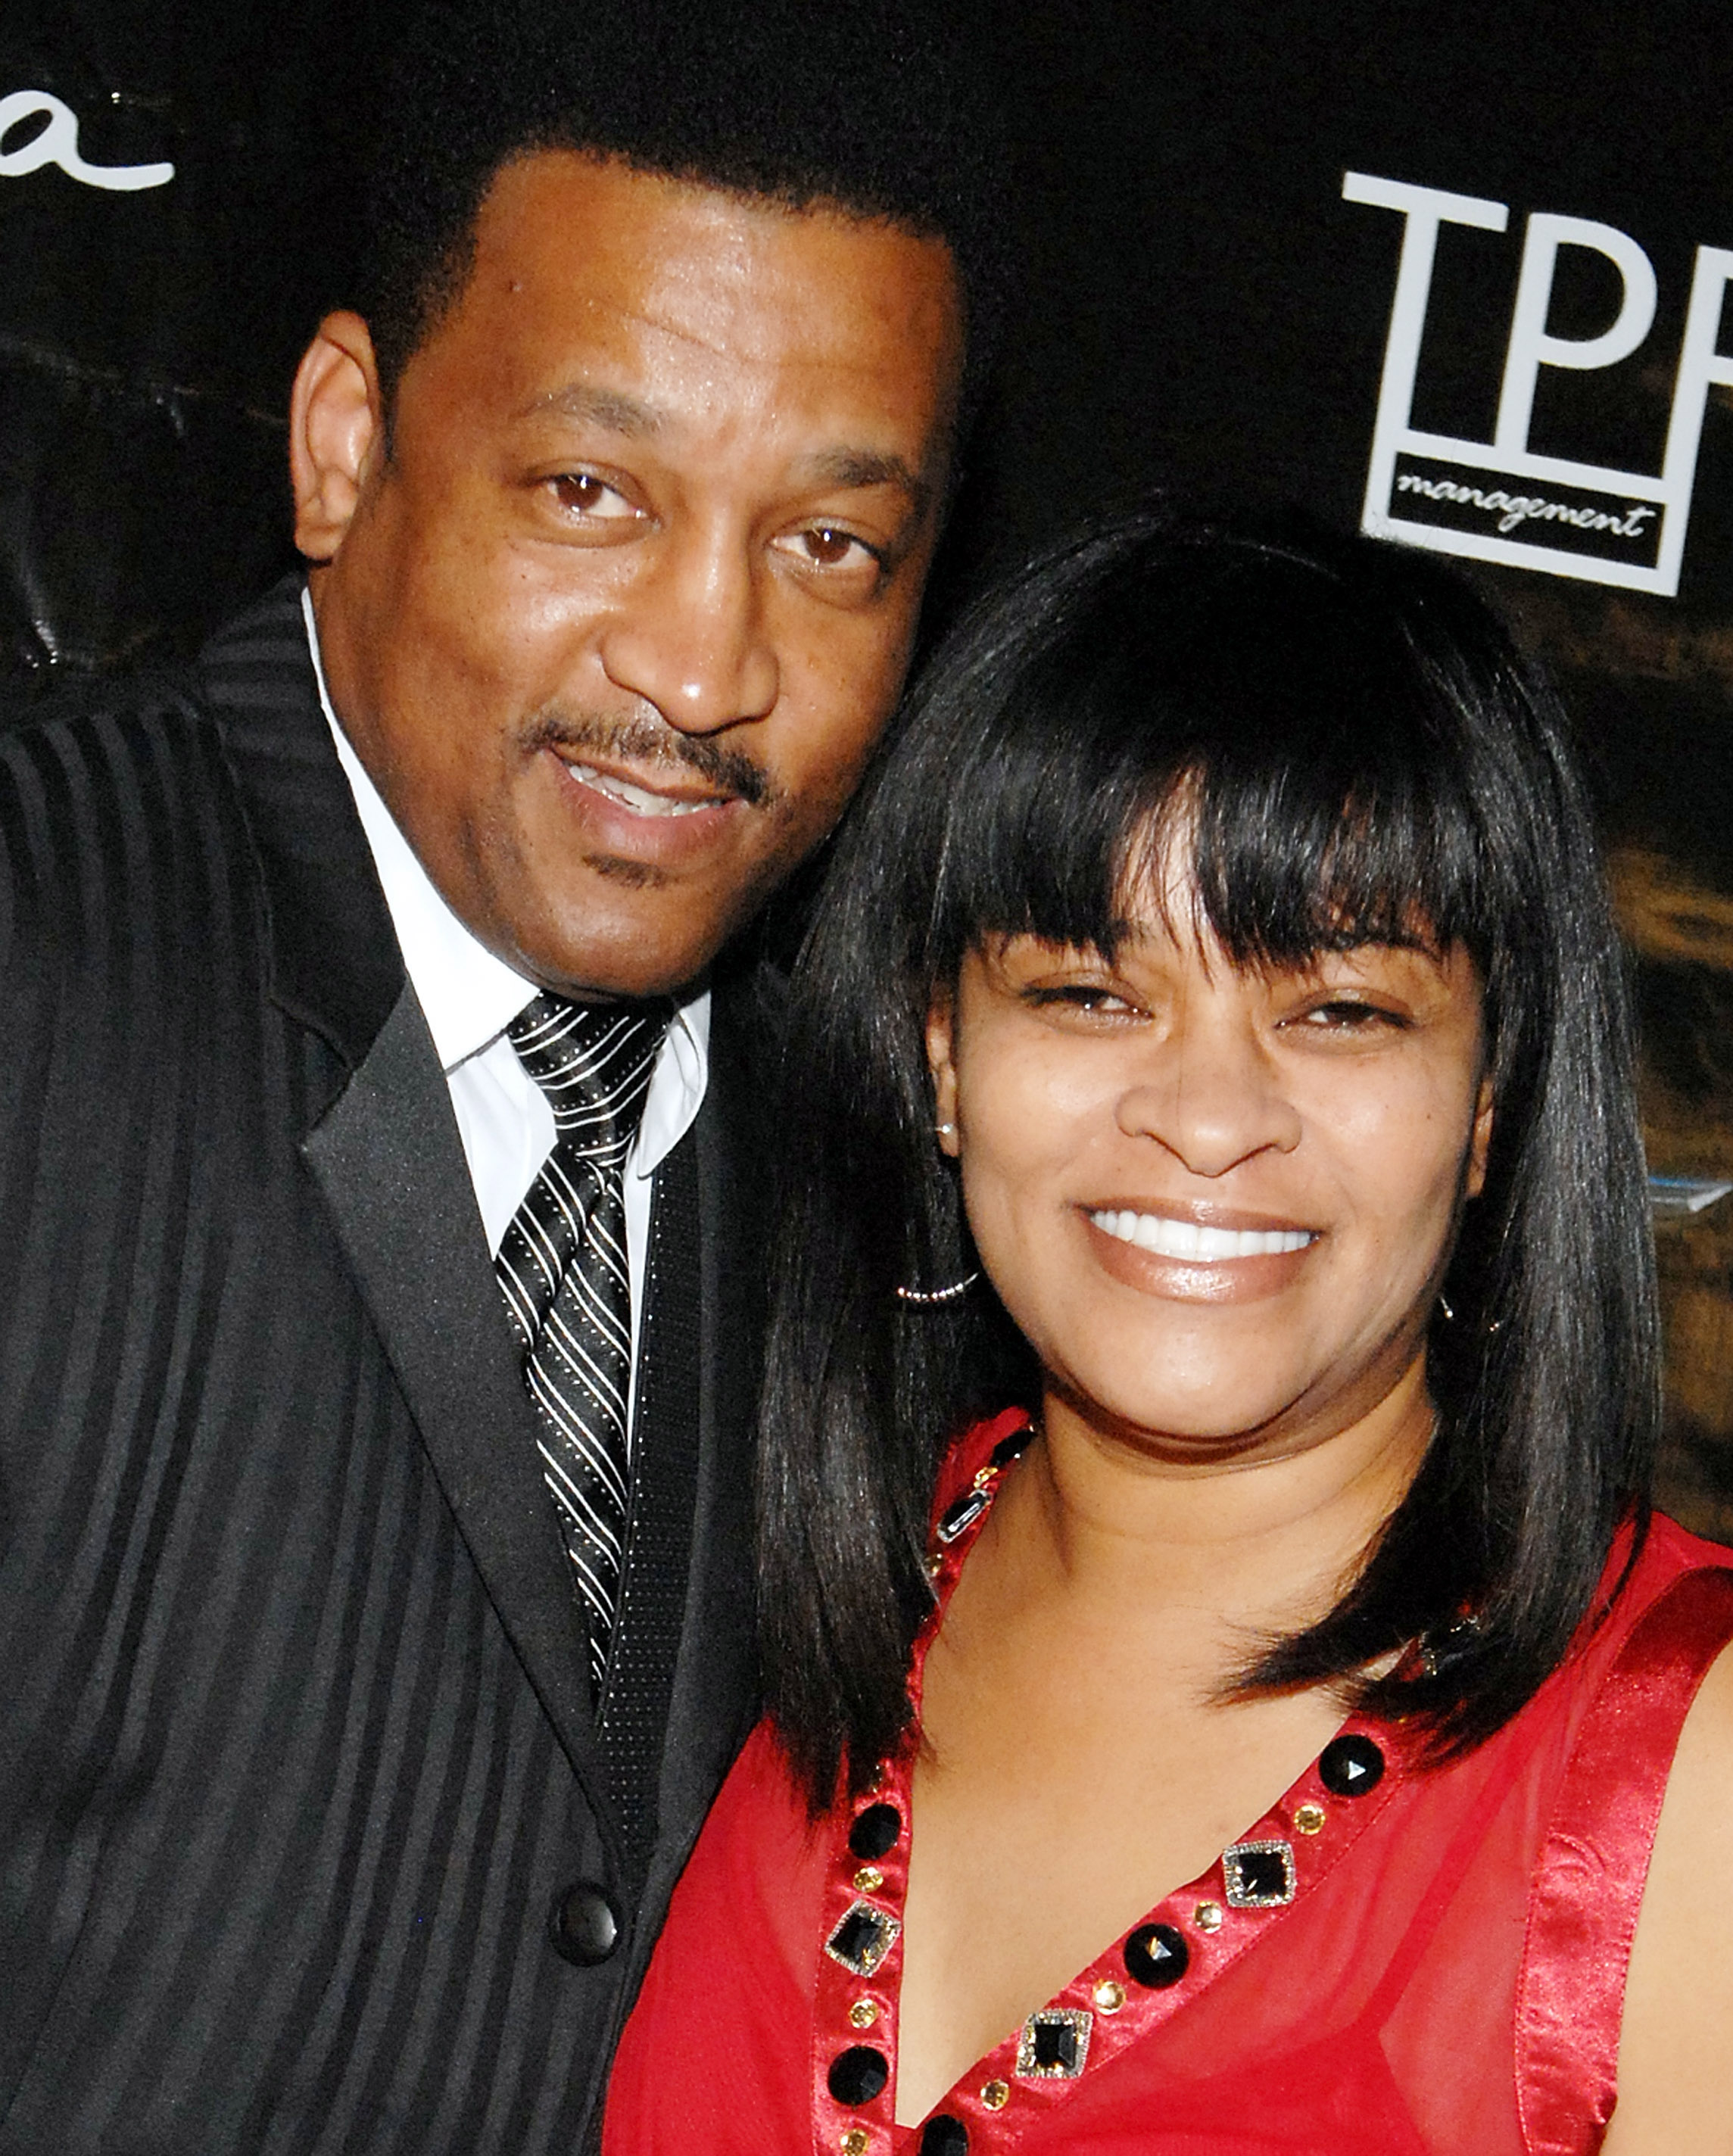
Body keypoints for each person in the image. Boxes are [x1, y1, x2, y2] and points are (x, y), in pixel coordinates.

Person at [0, 0, 1005, 2154]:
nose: (702, 665)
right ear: (344, 443)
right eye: (591, 494)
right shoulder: (41, 947)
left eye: (831, 548)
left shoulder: (903, 1203)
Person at [606, 513, 1733, 2154]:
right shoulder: (798, 1575)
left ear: (1488, 1102)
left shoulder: (1680, 1774)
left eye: (1337, 1011)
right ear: (941, 1055)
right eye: (1089, 993)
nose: (1206, 1120)